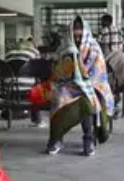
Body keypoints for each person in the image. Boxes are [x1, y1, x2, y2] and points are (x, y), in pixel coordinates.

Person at [46, 16, 114, 156]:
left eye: (80, 36)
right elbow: (58, 73)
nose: (77, 40)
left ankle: (88, 140)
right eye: (74, 36)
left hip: (91, 86)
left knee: (87, 102)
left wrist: (82, 82)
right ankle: (56, 139)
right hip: (68, 86)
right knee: (58, 100)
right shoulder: (63, 48)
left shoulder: (94, 49)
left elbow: (98, 74)